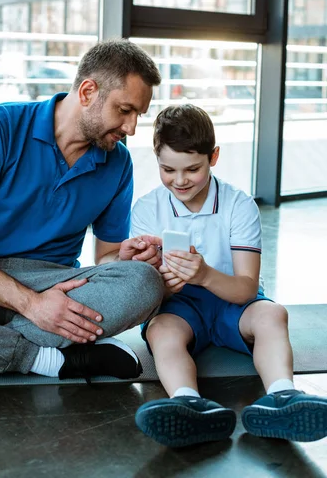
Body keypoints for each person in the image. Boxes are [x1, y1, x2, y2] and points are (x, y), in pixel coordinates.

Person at [0, 39, 164, 382]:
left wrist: (124, 259)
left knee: (144, 282)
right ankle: (47, 358)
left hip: (52, 282)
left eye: (138, 115)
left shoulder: (118, 163)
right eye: (124, 110)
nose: (131, 127)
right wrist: (30, 306)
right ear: (87, 92)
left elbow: (107, 258)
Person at [131, 104, 327, 447]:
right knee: (161, 329)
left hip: (231, 300)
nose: (179, 181)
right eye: (167, 169)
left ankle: (283, 397)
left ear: (214, 157)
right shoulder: (147, 208)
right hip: (181, 307)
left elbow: (246, 289)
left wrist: (204, 274)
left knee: (272, 313)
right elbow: (147, 297)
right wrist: (162, 285)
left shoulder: (239, 205)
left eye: (192, 169)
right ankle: (188, 404)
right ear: (156, 160)